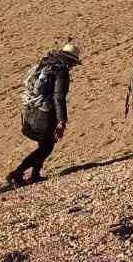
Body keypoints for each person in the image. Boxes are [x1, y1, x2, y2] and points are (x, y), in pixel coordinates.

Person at [7, 41, 80, 189]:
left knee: (44, 144)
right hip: (45, 113)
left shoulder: (46, 63)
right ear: (70, 60)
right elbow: (59, 97)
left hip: (32, 109)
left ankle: (35, 175)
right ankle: (16, 174)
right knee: (46, 147)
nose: (72, 66)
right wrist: (62, 120)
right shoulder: (61, 70)